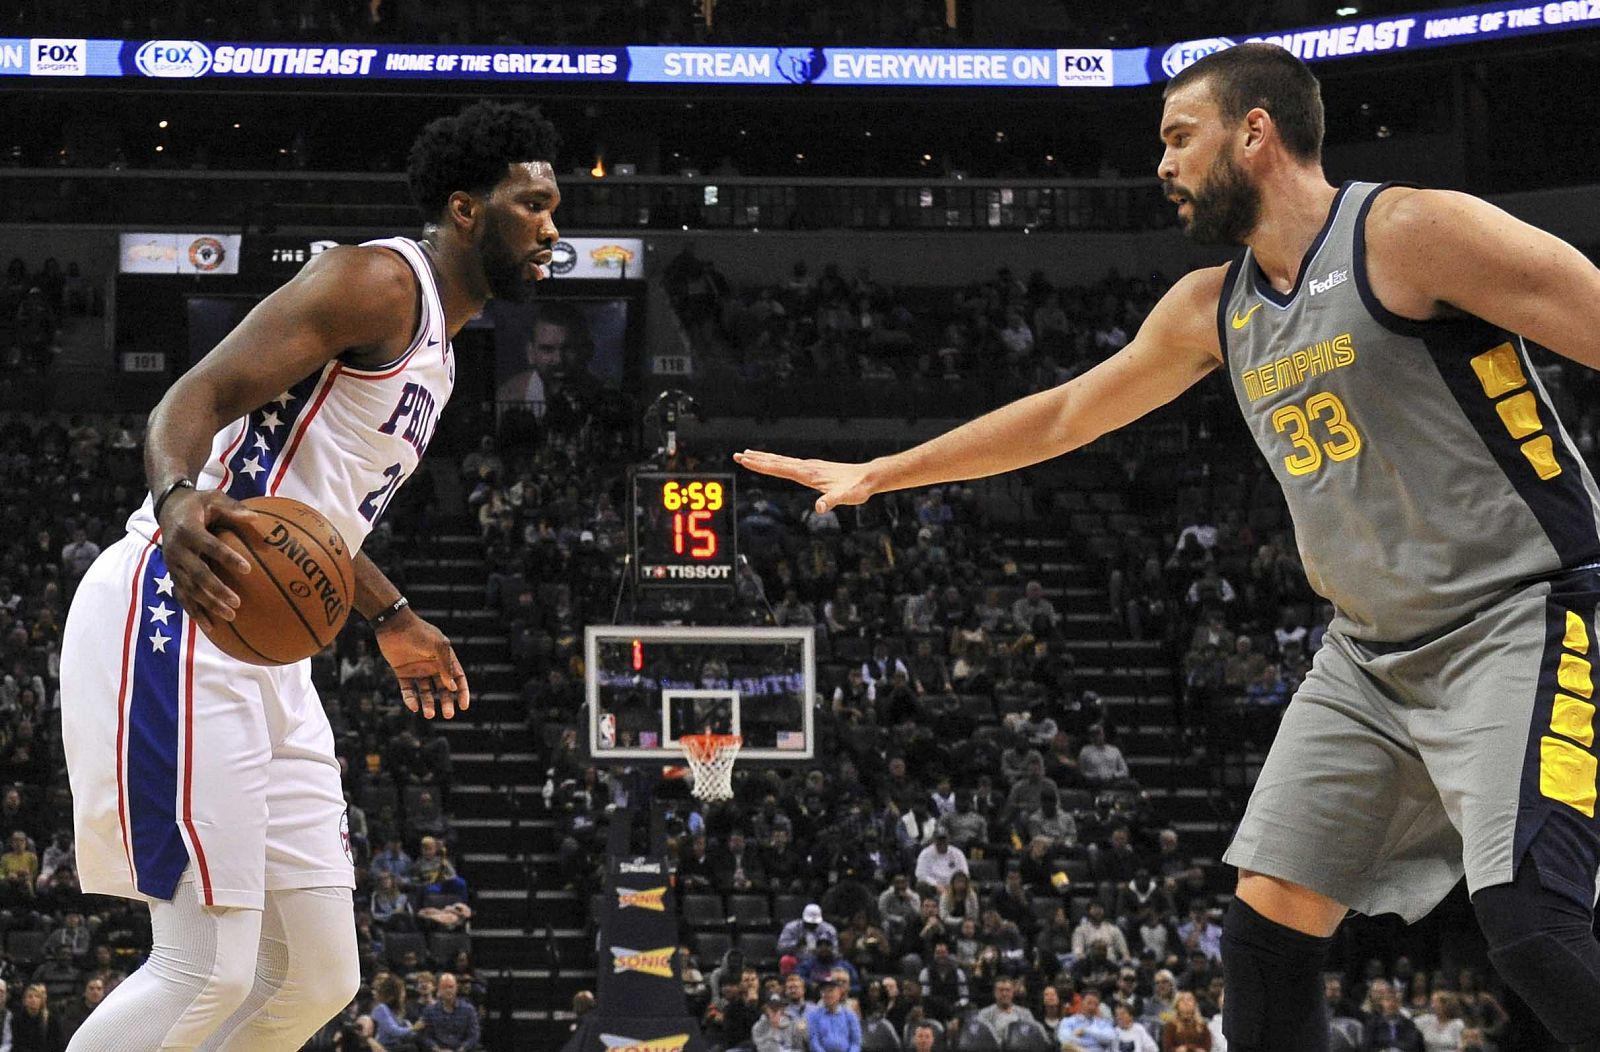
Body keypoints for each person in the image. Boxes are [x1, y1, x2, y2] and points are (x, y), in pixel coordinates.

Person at [734, 42, 1600, 1052]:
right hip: (1366, 654)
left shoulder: (1410, 230)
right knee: (1264, 935)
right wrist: (883, 471)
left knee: (1531, 926)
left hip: (1519, 615)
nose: (1162, 161)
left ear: (1255, 131)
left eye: (1177, 136)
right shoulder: (1209, 308)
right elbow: (1064, 415)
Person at [59, 101, 562, 1050]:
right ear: (465, 209)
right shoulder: (376, 281)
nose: (552, 228)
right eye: (532, 205)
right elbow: (193, 396)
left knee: (318, 973)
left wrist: (394, 614)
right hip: (186, 602)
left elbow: (316, 528)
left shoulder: (441, 359)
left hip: (276, 650)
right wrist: (175, 500)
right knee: (206, 963)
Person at [419, 972, 479, 1051]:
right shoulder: (429, 1010)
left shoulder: (468, 1009)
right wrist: (438, 1050)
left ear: (456, 988)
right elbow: (426, 1036)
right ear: (439, 989)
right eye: (444, 987)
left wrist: (461, 1050)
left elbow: (473, 1036)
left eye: (451, 987)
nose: (448, 990)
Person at [803, 977, 861, 1052]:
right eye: (824, 991)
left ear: (839, 993)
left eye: (831, 990)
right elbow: (814, 1042)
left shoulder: (850, 1016)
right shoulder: (813, 1015)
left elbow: (855, 1043)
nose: (827, 994)